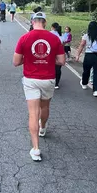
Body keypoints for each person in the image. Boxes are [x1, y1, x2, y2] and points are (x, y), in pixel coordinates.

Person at [13, 12, 65, 161]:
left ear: (32, 22)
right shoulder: (54, 38)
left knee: (33, 113)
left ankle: (35, 149)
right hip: (48, 79)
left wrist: (28, 59)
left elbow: (16, 62)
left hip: (30, 79)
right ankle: (43, 128)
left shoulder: (24, 38)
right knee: (45, 107)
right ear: (45, 22)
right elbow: (61, 61)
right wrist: (47, 61)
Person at [76, 21, 97, 97]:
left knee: (86, 71)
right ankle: (96, 90)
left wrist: (77, 55)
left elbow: (82, 45)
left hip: (88, 56)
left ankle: (84, 83)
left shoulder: (86, 36)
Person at [51, 23, 64, 89]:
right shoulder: (61, 36)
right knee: (58, 68)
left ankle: (51, 80)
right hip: (59, 53)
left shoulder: (50, 33)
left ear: (52, 27)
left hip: (51, 53)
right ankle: (56, 83)